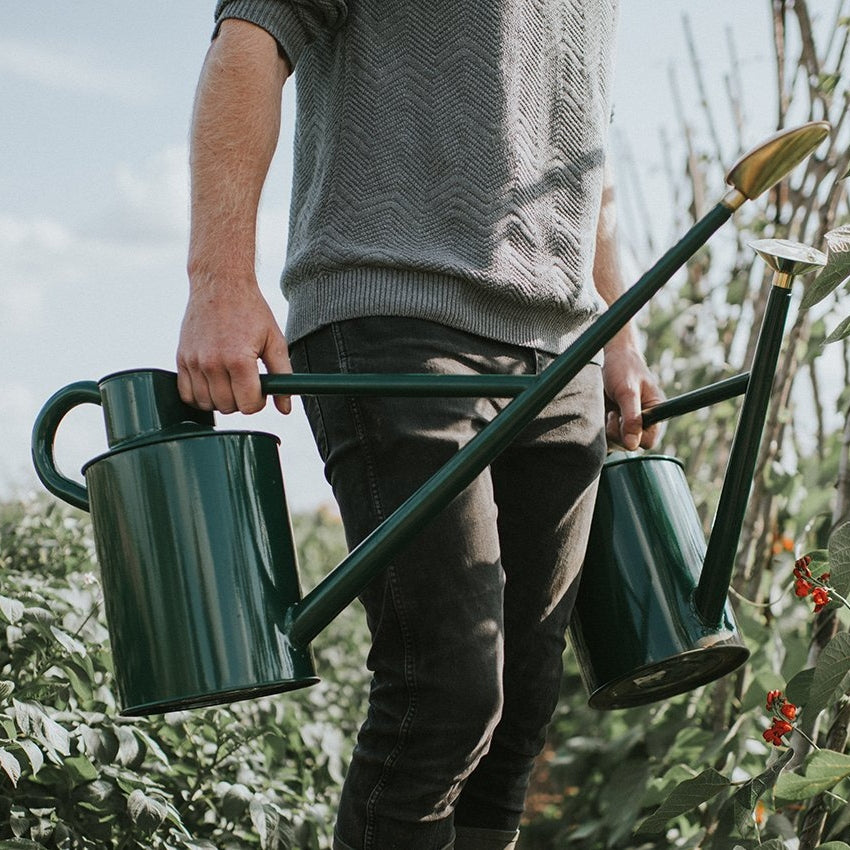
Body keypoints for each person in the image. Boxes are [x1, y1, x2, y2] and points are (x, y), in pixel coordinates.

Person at [176, 2, 663, 848]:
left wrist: (616, 334)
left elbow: (584, 140)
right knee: (446, 692)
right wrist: (218, 281)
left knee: (521, 711)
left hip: (559, 351)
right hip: (395, 312)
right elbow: (251, 37)